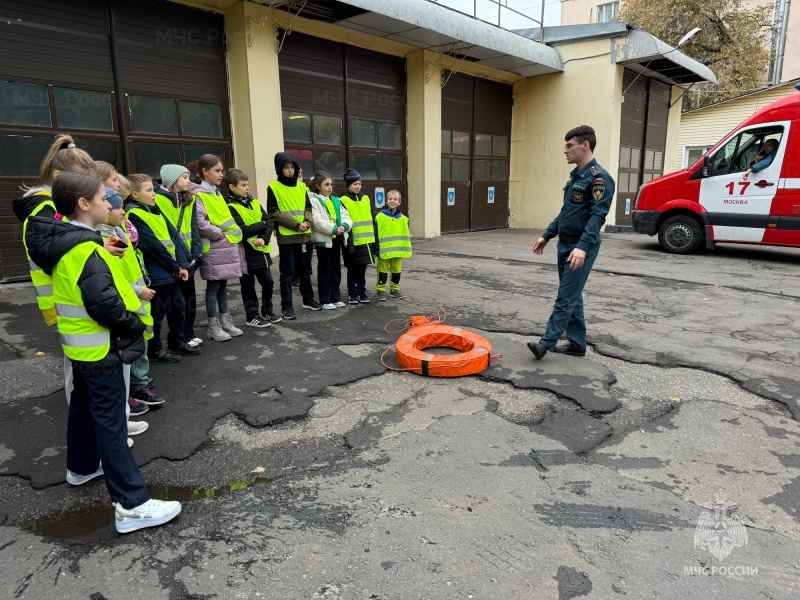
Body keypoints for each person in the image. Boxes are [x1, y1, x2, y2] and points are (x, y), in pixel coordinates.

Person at [25, 171, 181, 534]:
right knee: (110, 423)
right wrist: (132, 325)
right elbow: (104, 303)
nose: (109, 202)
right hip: (101, 348)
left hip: (83, 348)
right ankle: (132, 505)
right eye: (101, 196)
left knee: (83, 408)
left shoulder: (73, 242)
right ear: (83, 204)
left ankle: (81, 467)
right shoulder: (83, 248)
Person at [528, 125, 615, 360]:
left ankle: (545, 344)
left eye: (569, 146)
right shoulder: (575, 177)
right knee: (572, 295)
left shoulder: (599, 179)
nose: (565, 151)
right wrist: (546, 235)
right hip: (566, 244)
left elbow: (597, 216)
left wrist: (582, 247)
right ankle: (577, 344)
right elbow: (566, 211)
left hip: (581, 247)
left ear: (584, 145)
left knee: (566, 297)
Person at [96, 188, 164, 439]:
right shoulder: (99, 239)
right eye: (116, 207)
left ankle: (134, 394)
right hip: (127, 302)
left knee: (138, 347)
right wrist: (138, 291)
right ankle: (134, 395)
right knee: (125, 357)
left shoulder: (117, 231)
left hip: (135, 297)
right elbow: (112, 276)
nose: (122, 211)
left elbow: (131, 261)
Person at [11, 134, 97, 326]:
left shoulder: (56, 206)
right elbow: (54, 255)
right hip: (64, 299)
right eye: (82, 183)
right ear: (58, 177)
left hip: (71, 296)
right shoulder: (45, 210)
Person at [125, 174, 196, 361]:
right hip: (156, 271)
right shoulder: (134, 213)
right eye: (148, 190)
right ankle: (155, 350)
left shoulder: (153, 210)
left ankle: (177, 342)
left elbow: (173, 238)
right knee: (158, 312)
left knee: (178, 306)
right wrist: (175, 267)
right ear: (134, 194)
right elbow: (152, 246)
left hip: (169, 269)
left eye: (153, 189)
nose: (154, 193)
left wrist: (183, 264)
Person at [191, 154, 246, 341]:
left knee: (222, 284)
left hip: (223, 247)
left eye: (221, 170)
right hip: (215, 247)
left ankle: (225, 321)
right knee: (214, 285)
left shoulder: (215, 192)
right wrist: (220, 235)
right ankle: (213, 326)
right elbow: (200, 223)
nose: (221, 174)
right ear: (204, 172)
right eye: (217, 171)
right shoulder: (198, 194)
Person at [223, 168, 281, 327]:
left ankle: (267, 311)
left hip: (261, 251)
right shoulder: (230, 207)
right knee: (248, 285)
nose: (247, 187)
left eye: (248, 184)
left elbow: (269, 223)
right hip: (245, 253)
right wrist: (261, 225)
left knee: (268, 282)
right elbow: (242, 231)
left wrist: (263, 237)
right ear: (232, 187)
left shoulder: (254, 202)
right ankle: (252, 316)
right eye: (243, 185)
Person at [267, 152, 321, 319]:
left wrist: (307, 222)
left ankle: (308, 299)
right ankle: (287, 306)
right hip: (287, 236)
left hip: (304, 236)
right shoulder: (274, 188)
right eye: (286, 167)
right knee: (287, 273)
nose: (290, 171)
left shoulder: (302, 187)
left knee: (306, 271)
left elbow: (308, 207)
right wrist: (297, 225)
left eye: (293, 167)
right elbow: (273, 213)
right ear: (279, 169)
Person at [156, 164, 204, 348]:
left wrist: (196, 254)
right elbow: (168, 232)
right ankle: (179, 336)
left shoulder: (189, 200)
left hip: (189, 259)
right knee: (176, 304)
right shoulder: (159, 201)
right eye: (184, 177)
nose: (189, 180)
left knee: (190, 299)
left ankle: (188, 333)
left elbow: (194, 229)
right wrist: (183, 258)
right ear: (172, 181)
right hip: (173, 260)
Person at [308, 172, 352, 310]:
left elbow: (346, 215)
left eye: (331, 184)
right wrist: (333, 229)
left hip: (336, 239)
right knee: (325, 270)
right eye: (326, 184)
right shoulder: (314, 200)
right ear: (317, 186)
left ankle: (335, 297)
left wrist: (344, 226)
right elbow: (317, 220)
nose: (330, 187)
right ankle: (325, 299)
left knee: (335, 270)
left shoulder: (336, 200)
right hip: (324, 241)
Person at [340, 169, 375, 304]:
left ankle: (362, 291)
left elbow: (372, 220)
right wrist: (348, 243)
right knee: (352, 269)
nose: (358, 186)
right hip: (352, 242)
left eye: (359, 184)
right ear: (348, 185)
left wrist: (375, 243)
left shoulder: (365, 198)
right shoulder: (343, 199)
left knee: (362, 269)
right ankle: (353, 293)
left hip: (366, 242)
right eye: (355, 184)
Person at [374, 190, 411, 301]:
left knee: (396, 271)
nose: (392, 201)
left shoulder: (403, 219)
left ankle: (395, 289)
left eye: (395, 199)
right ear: (386, 201)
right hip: (384, 251)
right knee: (382, 271)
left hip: (397, 251)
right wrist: (376, 248)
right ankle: (380, 290)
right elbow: (375, 233)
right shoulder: (380, 217)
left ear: (399, 202)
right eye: (390, 199)